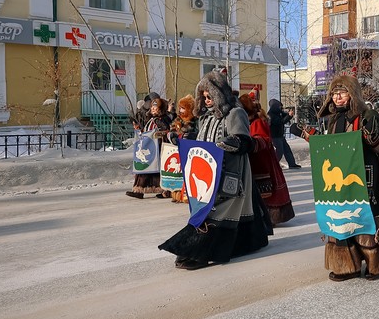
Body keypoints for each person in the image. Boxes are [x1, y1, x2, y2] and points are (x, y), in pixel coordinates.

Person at [159, 71, 272, 269]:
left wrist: (231, 143)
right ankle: (245, 241)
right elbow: (202, 140)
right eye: (203, 96)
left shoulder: (235, 113)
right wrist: (182, 140)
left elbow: (244, 140)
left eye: (209, 95)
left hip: (231, 170)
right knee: (210, 210)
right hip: (208, 172)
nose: (206, 99)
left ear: (219, 93)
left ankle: (202, 250)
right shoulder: (206, 117)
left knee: (219, 211)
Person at [315, 73, 379, 281]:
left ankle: (375, 264)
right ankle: (348, 265)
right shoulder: (333, 119)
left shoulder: (368, 115)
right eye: (334, 93)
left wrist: (372, 138)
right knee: (342, 217)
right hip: (340, 177)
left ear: (352, 94)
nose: (338, 97)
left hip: (366, 173)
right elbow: (329, 149)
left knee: (365, 218)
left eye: (342, 92)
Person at [239, 94, 296, 224]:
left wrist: (252, 143)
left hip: (262, 161)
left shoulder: (257, 122)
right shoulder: (250, 122)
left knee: (265, 192)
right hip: (255, 160)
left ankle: (270, 217)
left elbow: (263, 139)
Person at [127, 94, 172, 199]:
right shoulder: (151, 119)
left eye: (155, 108)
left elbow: (166, 130)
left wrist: (159, 134)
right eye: (152, 108)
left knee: (155, 170)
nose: (153, 110)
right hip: (149, 146)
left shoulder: (162, 119)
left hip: (158, 148)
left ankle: (163, 189)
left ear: (160, 109)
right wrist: (140, 129)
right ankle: (139, 190)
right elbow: (148, 131)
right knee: (144, 168)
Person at [268, 99, 301, 170]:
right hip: (275, 136)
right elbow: (280, 122)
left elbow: (284, 116)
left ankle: (292, 164)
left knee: (287, 150)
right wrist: (288, 116)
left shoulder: (278, 113)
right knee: (280, 150)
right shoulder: (271, 115)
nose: (281, 109)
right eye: (280, 107)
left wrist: (290, 114)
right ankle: (273, 165)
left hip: (280, 135)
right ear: (275, 107)